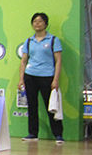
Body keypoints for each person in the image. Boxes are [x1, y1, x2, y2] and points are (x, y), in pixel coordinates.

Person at [18, 12, 64, 144]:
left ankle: (58, 134)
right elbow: (23, 61)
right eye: (34, 21)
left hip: (47, 77)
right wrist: (21, 79)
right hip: (30, 76)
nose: (37, 23)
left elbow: (58, 61)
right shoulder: (29, 41)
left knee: (51, 107)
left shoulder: (53, 40)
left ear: (46, 24)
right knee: (32, 106)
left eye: (40, 21)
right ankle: (33, 133)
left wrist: (55, 80)